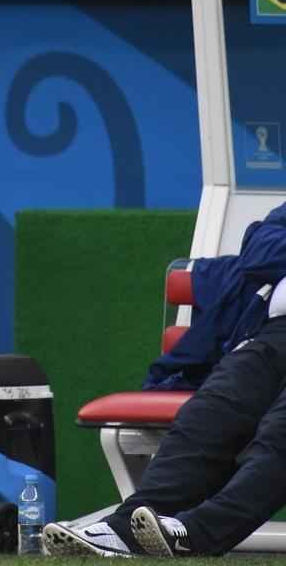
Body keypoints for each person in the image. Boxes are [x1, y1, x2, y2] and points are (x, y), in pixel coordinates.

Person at [44, 207, 286, 558]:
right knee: (212, 410)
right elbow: (259, 247)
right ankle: (127, 527)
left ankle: (196, 533)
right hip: (275, 335)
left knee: (279, 432)